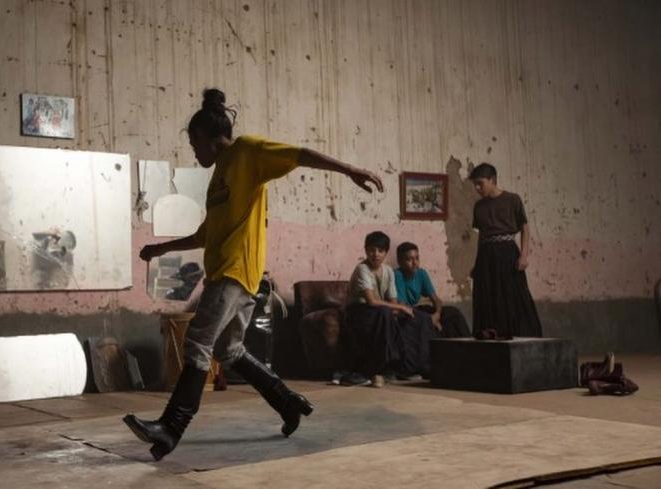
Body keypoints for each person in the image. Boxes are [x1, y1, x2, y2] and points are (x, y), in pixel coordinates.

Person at [123, 88, 383, 460]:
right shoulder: (219, 178)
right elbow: (205, 234)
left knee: (198, 341)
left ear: (210, 138)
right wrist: (160, 249)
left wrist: (350, 170)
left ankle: (171, 427)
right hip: (232, 273)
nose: (194, 152)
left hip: (235, 271)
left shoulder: (246, 151)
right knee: (228, 350)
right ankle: (287, 402)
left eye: (194, 144)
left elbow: (299, 154)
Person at [338, 232, 438, 387]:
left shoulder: (388, 271)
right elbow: (371, 301)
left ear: (386, 252)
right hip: (358, 313)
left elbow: (392, 300)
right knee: (385, 314)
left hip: (379, 311)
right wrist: (400, 307)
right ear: (365, 250)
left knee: (420, 317)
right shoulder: (362, 269)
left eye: (380, 250)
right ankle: (377, 370)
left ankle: (414, 367)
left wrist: (400, 312)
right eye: (372, 250)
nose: (376, 254)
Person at [469, 163, 542, 339]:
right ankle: (490, 337)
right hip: (486, 255)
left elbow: (524, 229)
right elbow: (482, 236)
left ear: (492, 180)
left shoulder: (513, 200)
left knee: (513, 295)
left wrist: (523, 256)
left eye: (480, 183)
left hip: (508, 252)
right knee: (487, 296)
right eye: (475, 185)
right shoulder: (478, 206)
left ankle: (519, 337)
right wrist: (477, 263)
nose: (477, 188)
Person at [394, 242, 471, 337]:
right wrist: (429, 318)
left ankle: (470, 342)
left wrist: (437, 315)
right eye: (409, 259)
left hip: (420, 310)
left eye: (417, 258)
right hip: (407, 313)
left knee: (453, 313)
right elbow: (402, 306)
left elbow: (435, 299)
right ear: (400, 261)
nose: (414, 263)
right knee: (432, 324)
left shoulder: (421, 273)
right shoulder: (397, 275)